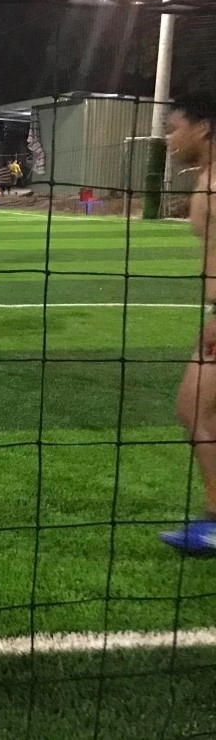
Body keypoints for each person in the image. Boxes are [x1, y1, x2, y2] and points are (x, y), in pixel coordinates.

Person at [160, 92, 216, 553]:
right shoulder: (204, 179)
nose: (168, 138)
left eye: (173, 128)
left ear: (202, 128)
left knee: (195, 410)